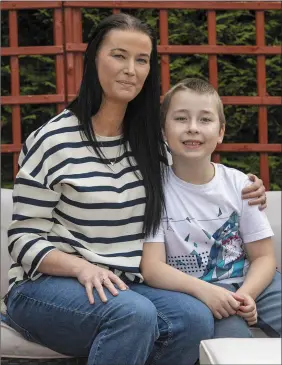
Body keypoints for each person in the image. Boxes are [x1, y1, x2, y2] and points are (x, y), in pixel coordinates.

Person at [3, 14, 267, 365]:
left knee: (194, 317)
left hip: (125, 284)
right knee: (133, 314)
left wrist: (248, 187)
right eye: (119, 55)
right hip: (46, 286)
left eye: (141, 60)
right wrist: (81, 268)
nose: (131, 69)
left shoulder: (152, 141)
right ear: (94, 58)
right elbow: (22, 237)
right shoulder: (53, 140)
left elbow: (199, 170)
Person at [141, 78, 281, 341]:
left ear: (221, 132)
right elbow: (152, 267)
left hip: (253, 284)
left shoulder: (241, 185)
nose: (193, 128)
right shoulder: (154, 190)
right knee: (233, 347)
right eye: (181, 119)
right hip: (197, 294)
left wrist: (246, 295)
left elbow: (263, 257)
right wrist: (206, 293)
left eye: (205, 120)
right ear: (163, 131)